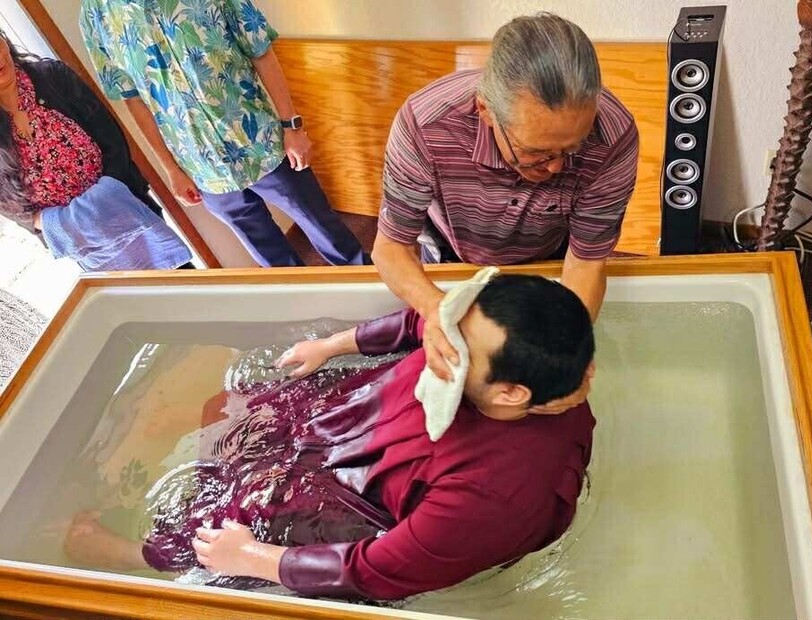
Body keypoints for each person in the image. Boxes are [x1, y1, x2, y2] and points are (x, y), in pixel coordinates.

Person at [64, 274, 596, 601]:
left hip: (360, 508)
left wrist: (251, 557)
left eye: (453, 350)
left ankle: (133, 555)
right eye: (451, 323)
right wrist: (334, 345)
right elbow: (424, 323)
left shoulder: (491, 499)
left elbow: (374, 569)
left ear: (510, 394)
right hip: (358, 417)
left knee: (225, 526)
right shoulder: (488, 345)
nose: (438, 337)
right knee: (254, 413)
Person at [371, 13, 637, 401]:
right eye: (536, 152)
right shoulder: (424, 125)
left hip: (550, 257)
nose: (556, 167)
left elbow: (585, 263)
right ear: (485, 111)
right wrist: (437, 309)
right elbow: (392, 246)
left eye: (572, 148)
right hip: (452, 253)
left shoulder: (614, 136)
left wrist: (568, 354)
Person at [80, 0, 369, 268]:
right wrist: (171, 169)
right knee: (273, 260)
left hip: (263, 143)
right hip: (203, 168)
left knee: (329, 232)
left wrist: (291, 126)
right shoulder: (96, 16)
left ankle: (375, 288)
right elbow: (134, 100)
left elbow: (260, 50)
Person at [0, 30, 191, 269]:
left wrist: (106, 198)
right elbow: (8, 203)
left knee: (181, 281)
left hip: (129, 210)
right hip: (85, 243)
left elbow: (113, 141)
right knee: (130, 294)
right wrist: (51, 222)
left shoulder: (53, 77)